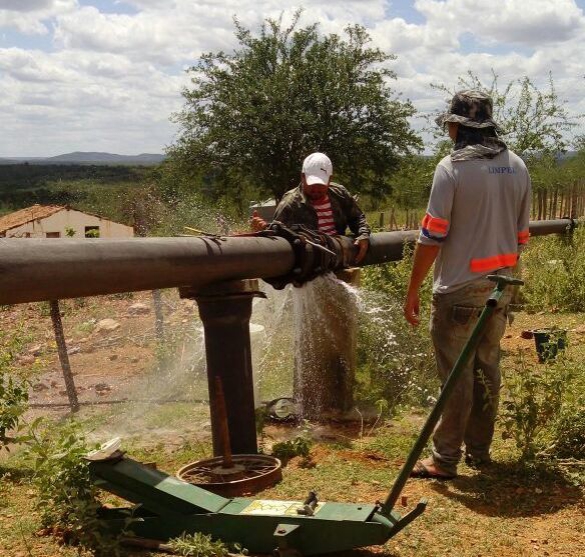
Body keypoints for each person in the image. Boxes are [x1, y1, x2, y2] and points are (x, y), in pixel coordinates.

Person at [403, 90, 531, 479]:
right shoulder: (518, 166)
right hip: (501, 287)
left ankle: (444, 459)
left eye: (450, 125)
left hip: (458, 289)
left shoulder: (451, 168)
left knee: (456, 375)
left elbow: (432, 236)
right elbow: (522, 237)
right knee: (487, 369)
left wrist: (412, 290)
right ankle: (479, 450)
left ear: (458, 126)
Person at [251, 152, 370, 263]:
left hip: (338, 258)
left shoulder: (340, 194)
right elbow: (278, 238)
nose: (316, 189)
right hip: (308, 265)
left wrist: (363, 235)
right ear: (303, 177)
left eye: (320, 184)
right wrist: (262, 232)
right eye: (312, 183)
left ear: (330, 179)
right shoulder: (290, 203)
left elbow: (357, 218)